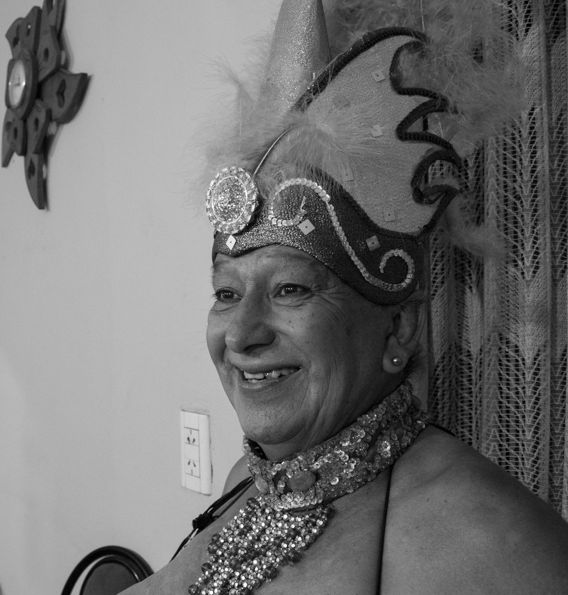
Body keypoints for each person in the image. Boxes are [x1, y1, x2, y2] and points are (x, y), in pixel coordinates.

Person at [123, 1, 568, 593]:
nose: (241, 334)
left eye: (290, 289)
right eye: (226, 293)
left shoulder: (487, 539)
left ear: (399, 327)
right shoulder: (246, 480)